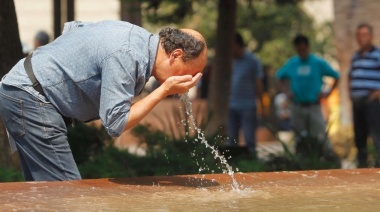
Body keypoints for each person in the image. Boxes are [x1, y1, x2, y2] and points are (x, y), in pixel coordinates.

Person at [0, 20, 207, 181]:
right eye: (192, 73)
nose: (191, 81)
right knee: (67, 197)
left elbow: (74, 28)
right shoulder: (127, 54)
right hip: (30, 97)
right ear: (176, 55)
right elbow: (116, 123)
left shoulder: (136, 38)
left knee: (44, 195)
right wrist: (163, 91)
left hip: (24, 92)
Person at [276, 34, 339, 156]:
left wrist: (328, 93)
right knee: (299, 138)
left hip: (314, 106)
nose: (301, 52)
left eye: (303, 49)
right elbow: (279, 76)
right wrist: (286, 92)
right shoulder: (293, 63)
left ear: (308, 47)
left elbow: (336, 76)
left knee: (321, 136)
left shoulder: (318, 62)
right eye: (299, 50)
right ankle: (302, 161)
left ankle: (327, 159)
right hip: (297, 106)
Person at [227, 33, 264, 156]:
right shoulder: (229, 61)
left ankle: (251, 164)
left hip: (248, 106)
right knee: (231, 139)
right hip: (231, 105)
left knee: (249, 139)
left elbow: (258, 83)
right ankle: (232, 165)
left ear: (238, 45)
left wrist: (262, 104)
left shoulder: (253, 61)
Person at [349, 23, 380, 168]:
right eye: (359, 35)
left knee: (376, 137)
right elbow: (351, 76)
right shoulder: (355, 56)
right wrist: (350, 93)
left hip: (372, 102)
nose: (362, 38)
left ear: (371, 36)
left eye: (365, 34)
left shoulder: (377, 55)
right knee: (359, 138)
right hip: (357, 102)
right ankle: (362, 170)